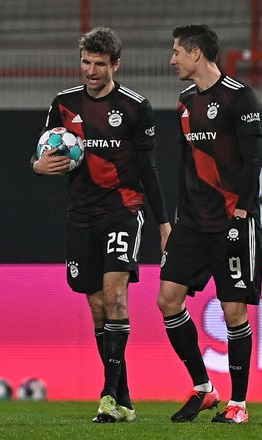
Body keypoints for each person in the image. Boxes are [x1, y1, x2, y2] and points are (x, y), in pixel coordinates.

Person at [31, 27, 171, 423]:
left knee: (115, 297)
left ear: (115, 65)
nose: (91, 71)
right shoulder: (63, 103)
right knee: (97, 308)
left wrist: (164, 224)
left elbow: (150, 169)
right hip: (81, 216)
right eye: (86, 62)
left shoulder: (134, 106)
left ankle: (108, 395)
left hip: (122, 211)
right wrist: (37, 167)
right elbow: (43, 151)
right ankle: (124, 398)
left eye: (99, 64)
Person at [158, 24, 262, 424]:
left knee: (233, 311)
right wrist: (174, 221)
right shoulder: (185, 102)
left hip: (231, 222)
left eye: (177, 53)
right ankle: (204, 389)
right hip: (193, 224)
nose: (172, 60)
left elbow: (253, 162)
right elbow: (186, 166)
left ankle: (238, 404)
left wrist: (241, 214)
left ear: (196, 53)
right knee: (168, 299)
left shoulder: (240, 97)